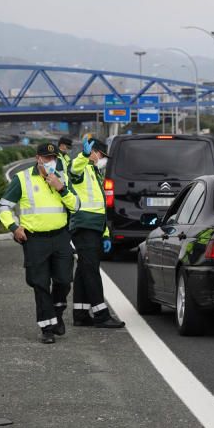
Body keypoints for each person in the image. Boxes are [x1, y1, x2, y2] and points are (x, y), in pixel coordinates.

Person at [0, 142, 81, 344]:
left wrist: (61, 188)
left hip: (60, 237)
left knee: (63, 280)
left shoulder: (61, 177)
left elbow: (76, 206)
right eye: (46, 158)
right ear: (38, 159)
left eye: (53, 159)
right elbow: (4, 206)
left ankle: (57, 312)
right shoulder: (23, 178)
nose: (50, 162)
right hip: (34, 239)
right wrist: (14, 227)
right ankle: (47, 328)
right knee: (40, 284)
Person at [68, 137, 124, 328]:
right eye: (100, 154)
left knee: (84, 270)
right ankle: (101, 315)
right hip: (84, 226)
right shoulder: (82, 167)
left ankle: (81, 313)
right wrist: (83, 155)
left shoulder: (95, 171)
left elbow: (100, 207)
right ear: (92, 152)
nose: (101, 158)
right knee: (91, 271)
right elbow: (74, 170)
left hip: (94, 226)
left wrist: (105, 233)